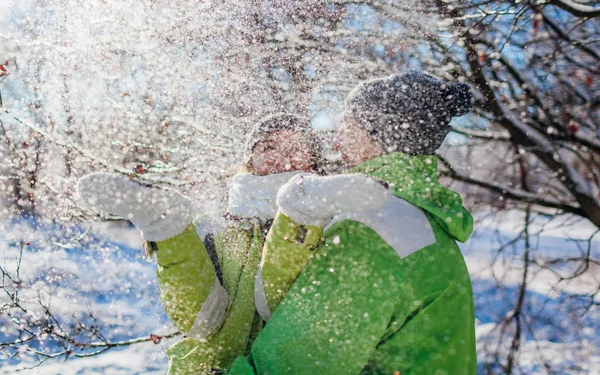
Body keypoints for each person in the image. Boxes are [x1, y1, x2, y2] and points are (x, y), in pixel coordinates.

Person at [230, 71, 476, 375]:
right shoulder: (422, 217)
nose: (335, 139)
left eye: (346, 125)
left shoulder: (370, 230)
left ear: (376, 134)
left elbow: (296, 362)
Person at [78, 114, 323, 374]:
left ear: (314, 161)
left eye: (296, 149)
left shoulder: (332, 223)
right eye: (269, 148)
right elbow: (196, 319)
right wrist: (169, 233)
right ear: (250, 160)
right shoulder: (213, 227)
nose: (282, 159)